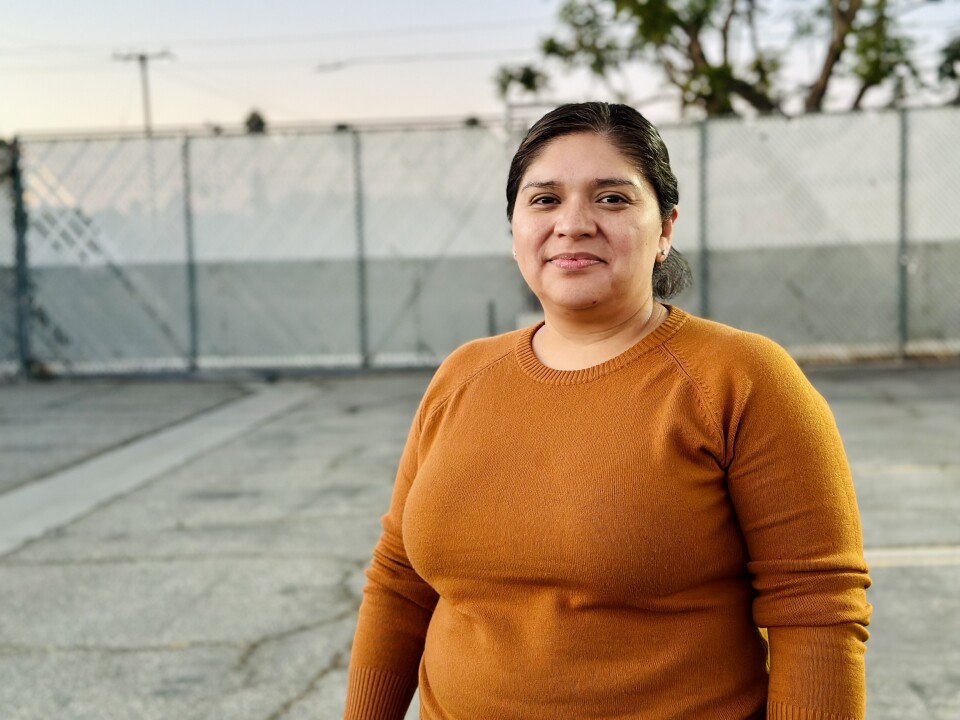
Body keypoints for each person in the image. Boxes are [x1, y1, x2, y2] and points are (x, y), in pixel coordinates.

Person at [343, 102, 871, 720]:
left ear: (665, 228)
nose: (573, 224)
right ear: (514, 229)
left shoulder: (742, 377)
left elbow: (816, 608)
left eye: (612, 198)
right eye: (544, 199)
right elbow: (400, 581)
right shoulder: (462, 374)